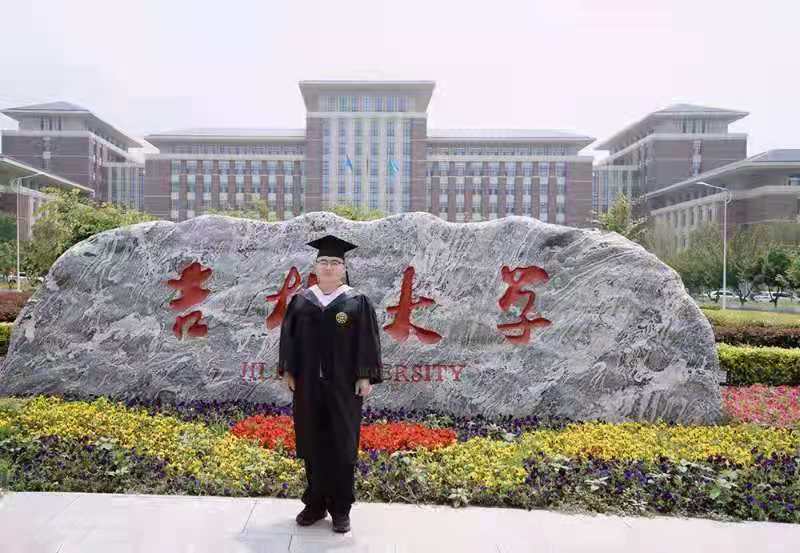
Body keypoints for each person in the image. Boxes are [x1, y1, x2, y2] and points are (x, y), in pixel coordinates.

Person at [277, 233, 384, 533]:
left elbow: (367, 340)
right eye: (323, 261)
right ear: (315, 266)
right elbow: (288, 339)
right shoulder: (301, 301)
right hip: (308, 385)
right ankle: (314, 503)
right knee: (312, 442)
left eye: (335, 262)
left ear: (343, 268)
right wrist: (288, 371)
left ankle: (340, 508)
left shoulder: (356, 302)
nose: (328, 267)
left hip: (344, 386)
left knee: (342, 444)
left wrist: (365, 375)